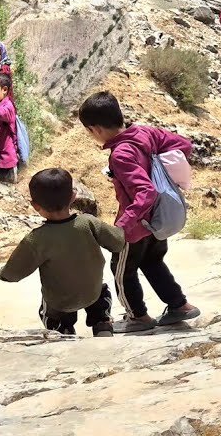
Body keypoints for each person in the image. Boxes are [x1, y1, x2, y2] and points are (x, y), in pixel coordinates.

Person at [78, 91, 201, 332]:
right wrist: (157, 164)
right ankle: (179, 305)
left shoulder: (121, 154)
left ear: (95, 130)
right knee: (153, 262)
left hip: (136, 227)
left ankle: (137, 316)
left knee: (121, 269)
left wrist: (121, 227)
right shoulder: (145, 132)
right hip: (159, 220)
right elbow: (184, 145)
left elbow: (145, 192)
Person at [0, 168, 124, 337]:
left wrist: (4, 275)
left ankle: (62, 330)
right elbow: (118, 242)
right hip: (92, 293)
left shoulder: (37, 239)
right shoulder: (88, 223)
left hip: (59, 301)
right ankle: (102, 323)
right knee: (102, 294)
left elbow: (13, 273)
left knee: (50, 309)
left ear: (35, 206)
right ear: (73, 196)